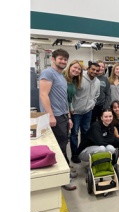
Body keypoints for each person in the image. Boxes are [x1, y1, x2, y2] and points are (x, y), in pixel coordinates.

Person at [39, 48, 76, 191]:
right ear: (53, 59)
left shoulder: (61, 76)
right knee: (59, 147)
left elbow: (63, 99)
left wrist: (69, 117)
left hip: (63, 115)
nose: (63, 61)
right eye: (61, 59)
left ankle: (65, 171)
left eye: (65, 59)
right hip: (55, 116)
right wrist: (50, 115)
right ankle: (64, 178)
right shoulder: (48, 73)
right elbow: (43, 95)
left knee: (62, 145)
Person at [70, 62, 100, 163]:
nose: (94, 72)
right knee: (74, 133)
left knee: (86, 132)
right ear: (88, 69)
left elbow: (97, 95)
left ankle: (82, 152)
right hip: (76, 111)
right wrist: (71, 107)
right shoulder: (79, 78)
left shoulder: (97, 82)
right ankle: (74, 154)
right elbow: (71, 93)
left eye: (97, 70)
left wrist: (92, 104)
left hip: (88, 111)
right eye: (93, 69)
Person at [91, 60, 111, 124]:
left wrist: (106, 106)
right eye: (99, 66)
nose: (101, 68)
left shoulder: (105, 79)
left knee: (102, 124)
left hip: (101, 106)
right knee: (91, 124)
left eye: (103, 67)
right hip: (91, 106)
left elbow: (108, 93)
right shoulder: (91, 77)